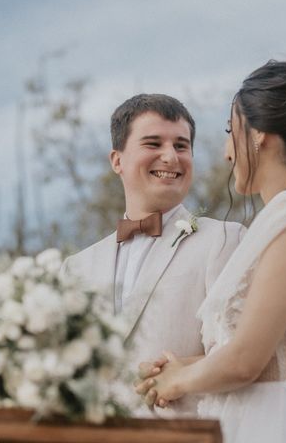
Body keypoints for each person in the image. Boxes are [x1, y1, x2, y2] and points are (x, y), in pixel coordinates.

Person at [135, 60, 286, 442]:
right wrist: (178, 367)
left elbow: (246, 363)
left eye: (229, 131)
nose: (225, 152)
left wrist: (179, 383)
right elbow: (269, 355)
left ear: (258, 135)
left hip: (272, 426)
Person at [61, 93, 244, 416]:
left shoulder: (222, 239)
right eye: (153, 143)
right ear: (117, 160)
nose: (171, 157)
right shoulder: (74, 269)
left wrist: (180, 373)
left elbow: (241, 354)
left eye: (181, 146)